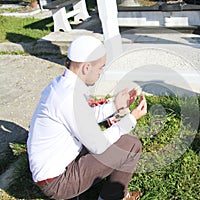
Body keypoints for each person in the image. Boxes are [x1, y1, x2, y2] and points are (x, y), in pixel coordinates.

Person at [27, 35, 147, 200]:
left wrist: (115, 105)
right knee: (131, 145)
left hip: (55, 169)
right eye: (100, 68)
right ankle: (112, 197)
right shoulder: (70, 97)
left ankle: (85, 192)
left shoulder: (61, 85)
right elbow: (99, 145)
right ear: (86, 68)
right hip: (58, 183)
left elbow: (85, 118)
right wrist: (131, 119)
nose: (101, 72)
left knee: (117, 142)